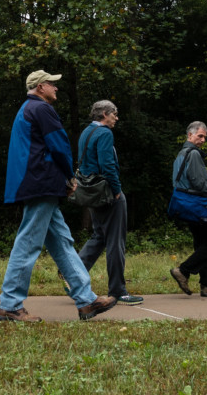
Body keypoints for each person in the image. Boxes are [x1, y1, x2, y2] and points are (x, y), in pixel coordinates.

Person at [0, 70, 116, 322]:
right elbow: (59, 145)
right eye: (52, 84)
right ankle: (9, 304)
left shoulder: (28, 109)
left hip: (37, 182)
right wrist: (69, 177)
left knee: (62, 242)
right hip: (41, 182)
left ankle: (86, 300)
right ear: (40, 87)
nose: (56, 88)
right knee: (28, 243)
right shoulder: (41, 109)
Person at [76, 100, 143, 305]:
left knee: (100, 236)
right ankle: (118, 290)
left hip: (90, 192)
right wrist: (116, 191)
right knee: (115, 241)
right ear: (104, 114)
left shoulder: (86, 132)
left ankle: (73, 274)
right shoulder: (105, 133)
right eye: (114, 113)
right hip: (106, 193)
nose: (116, 117)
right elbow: (107, 165)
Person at [168, 121, 207, 297]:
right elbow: (200, 182)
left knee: (202, 243)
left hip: (186, 205)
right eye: (199, 136)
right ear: (190, 135)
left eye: (204, 137)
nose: (202, 140)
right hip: (198, 205)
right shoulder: (193, 154)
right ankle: (183, 271)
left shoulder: (181, 154)